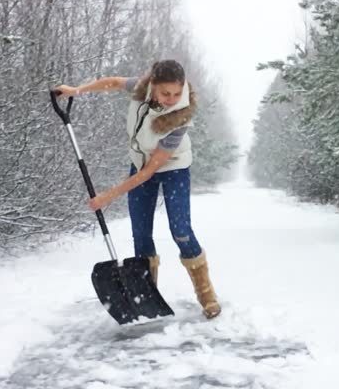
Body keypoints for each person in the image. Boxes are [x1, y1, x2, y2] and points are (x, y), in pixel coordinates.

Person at [54, 60, 221, 319]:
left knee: (181, 230)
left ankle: (205, 292)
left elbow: (148, 173)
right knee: (141, 233)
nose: (172, 99)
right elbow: (114, 82)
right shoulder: (141, 88)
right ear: (153, 86)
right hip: (141, 162)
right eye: (166, 93)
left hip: (172, 169)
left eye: (177, 93)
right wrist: (77, 90)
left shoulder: (180, 118)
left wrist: (108, 196)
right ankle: (146, 294)